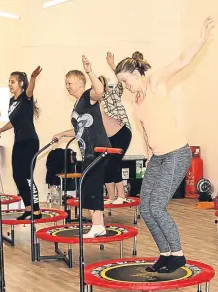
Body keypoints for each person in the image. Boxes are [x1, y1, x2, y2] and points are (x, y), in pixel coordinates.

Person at [115, 17, 214, 273]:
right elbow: (147, 127)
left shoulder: (155, 83)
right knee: (145, 208)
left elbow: (181, 62)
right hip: (158, 157)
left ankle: (178, 255)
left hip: (176, 154)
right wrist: (148, 152)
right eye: (122, 83)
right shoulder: (137, 98)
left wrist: (200, 41)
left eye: (126, 81)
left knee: (157, 206)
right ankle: (165, 253)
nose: (124, 87)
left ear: (137, 74)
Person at [53, 56, 111, 238]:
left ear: (80, 83)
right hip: (88, 151)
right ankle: (98, 224)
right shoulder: (77, 105)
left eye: (70, 83)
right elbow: (79, 129)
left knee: (91, 184)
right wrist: (62, 133)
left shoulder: (88, 97)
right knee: (89, 184)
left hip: (99, 149)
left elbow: (100, 91)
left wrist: (89, 70)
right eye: (66, 83)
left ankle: (97, 225)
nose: (67, 86)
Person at [0, 67, 43, 220]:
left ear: (21, 83)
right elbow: (13, 122)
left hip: (30, 141)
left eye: (12, 82)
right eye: (9, 82)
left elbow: (30, 90)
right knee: (17, 176)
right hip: (19, 142)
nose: (10, 84)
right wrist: (0, 129)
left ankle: (36, 210)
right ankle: (28, 209)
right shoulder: (11, 101)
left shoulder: (25, 97)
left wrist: (33, 78)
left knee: (27, 176)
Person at [98, 51, 133, 204]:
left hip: (122, 132)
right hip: (109, 136)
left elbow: (120, 83)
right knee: (105, 165)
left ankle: (122, 196)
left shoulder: (112, 94)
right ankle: (111, 196)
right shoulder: (95, 101)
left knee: (114, 163)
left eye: (100, 84)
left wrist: (112, 64)